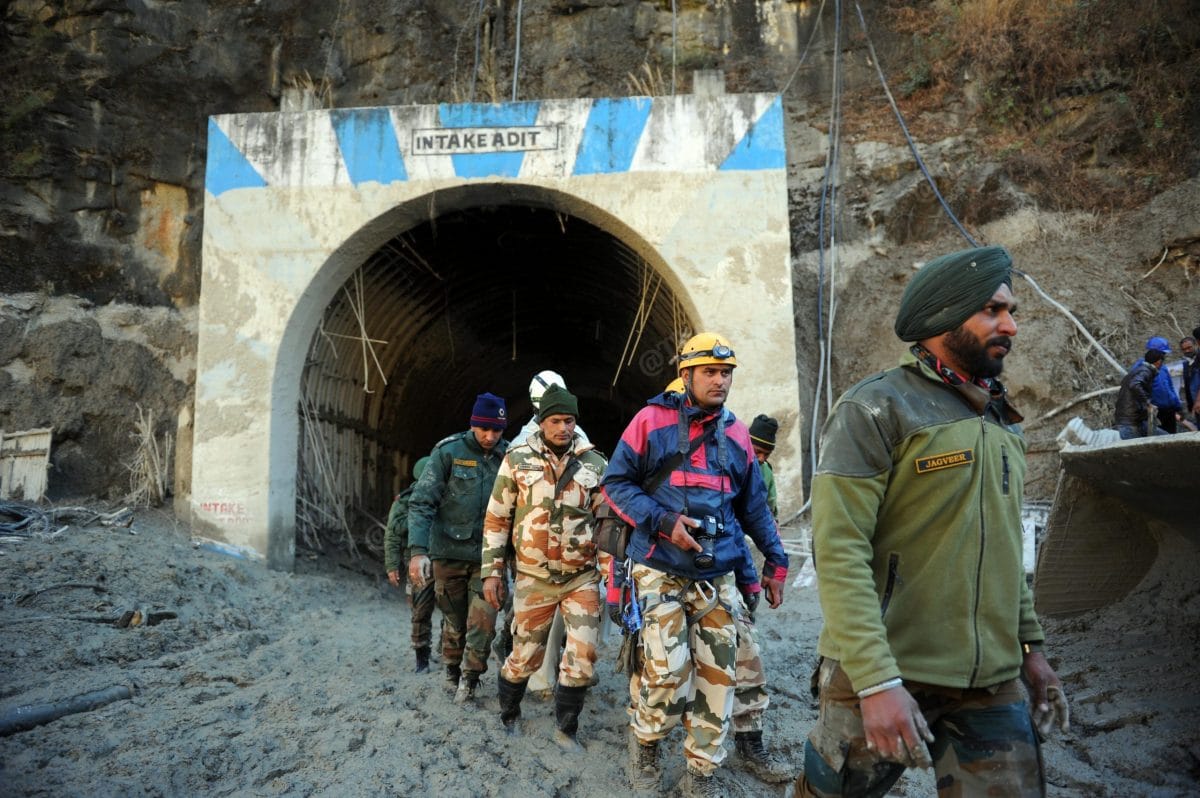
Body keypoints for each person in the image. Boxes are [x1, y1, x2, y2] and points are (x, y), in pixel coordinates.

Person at [796, 245, 1069, 798]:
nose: (1011, 325)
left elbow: (1004, 548)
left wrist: (1030, 651)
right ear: (947, 316)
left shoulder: (1000, 420)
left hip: (990, 684)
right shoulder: (875, 410)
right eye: (994, 310)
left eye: (1012, 311)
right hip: (884, 670)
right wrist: (875, 681)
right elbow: (840, 551)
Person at [601, 332, 789, 797]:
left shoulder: (738, 433)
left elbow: (754, 508)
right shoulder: (651, 421)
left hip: (716, 574)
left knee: (720, 679)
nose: (720, 381)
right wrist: (664, 521)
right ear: (686, 374)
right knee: (667, 673)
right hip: (659, 567)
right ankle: (644, 744)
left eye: (726, 373)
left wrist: (775, 561)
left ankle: (700, 772)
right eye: (710, 372)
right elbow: (616, 484)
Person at [480, 384, 610, 751]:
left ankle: (566, 730)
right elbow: (496, 519)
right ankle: (509, 713)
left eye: (569, 421)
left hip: (580, 578)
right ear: (541, 421)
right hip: (533, 578)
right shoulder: (517, 460)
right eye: (555, 420)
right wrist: (491, 571)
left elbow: (606, 526)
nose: (563, 428)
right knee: (525, 655)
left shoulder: (595, 464)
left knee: (582, 656)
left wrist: (609, 579)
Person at [407, 392, 509, 705]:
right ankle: (452, 669)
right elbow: (422, 502)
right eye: (484, 430)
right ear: (473, 425)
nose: (490, 437)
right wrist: (417, 551)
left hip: (488, 559)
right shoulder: (448, 452)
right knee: (455, 622)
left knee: (483, 623)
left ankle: (470, 679)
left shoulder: (511, 457)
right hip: (448, 555)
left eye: (497, 430)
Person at [508, 369, 591, 699]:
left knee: (570, 616)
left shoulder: (579, 438)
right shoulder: (519, 446)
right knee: (532, 620)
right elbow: (506, 503)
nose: (561, 425)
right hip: (533, 548)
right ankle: (536, 676)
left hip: (571, 547)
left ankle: (561, 675)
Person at [384, 455, 437, 672]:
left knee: (454, 611)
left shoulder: (449, 496)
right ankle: (421, 658)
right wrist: (392, 566)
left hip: (447, 560)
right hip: (417, 563)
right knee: (420, 611)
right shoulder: (405, 501)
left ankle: (448, 651)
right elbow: (393, 535)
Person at [1134, 335, 1182, 433]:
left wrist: (1176, 405)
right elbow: (1135, 389)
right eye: (1162, 353)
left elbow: (1169, 387)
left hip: (1169, 410)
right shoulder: (1140, 367)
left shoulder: (1162, 367)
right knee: (1158, 440)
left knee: (1171, 438)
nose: (1164, 355)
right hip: (1154, 411)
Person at [1114, 348, 1166, 439]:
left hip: (1133, 420)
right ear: (1158, 362)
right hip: (1130, 422)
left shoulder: (1140, 370)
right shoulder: (1145, 371)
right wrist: (1148, 403)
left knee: (1163, 438)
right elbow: (1135, 384)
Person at [748, 414, 780, 519]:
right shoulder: (732, 466)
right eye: (757, 452)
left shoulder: (767, 471)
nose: (761, 458)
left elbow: (771, 504)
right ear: (747, 444)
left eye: (767, 454)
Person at [1178, 335, 1199, 422]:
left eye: (1189, 347)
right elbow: (1187, 386)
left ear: (1196, 345)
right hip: (1195, 406)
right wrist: (1191, 406)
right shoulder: (1186, 364)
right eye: (1184, 349)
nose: (1187, 351)